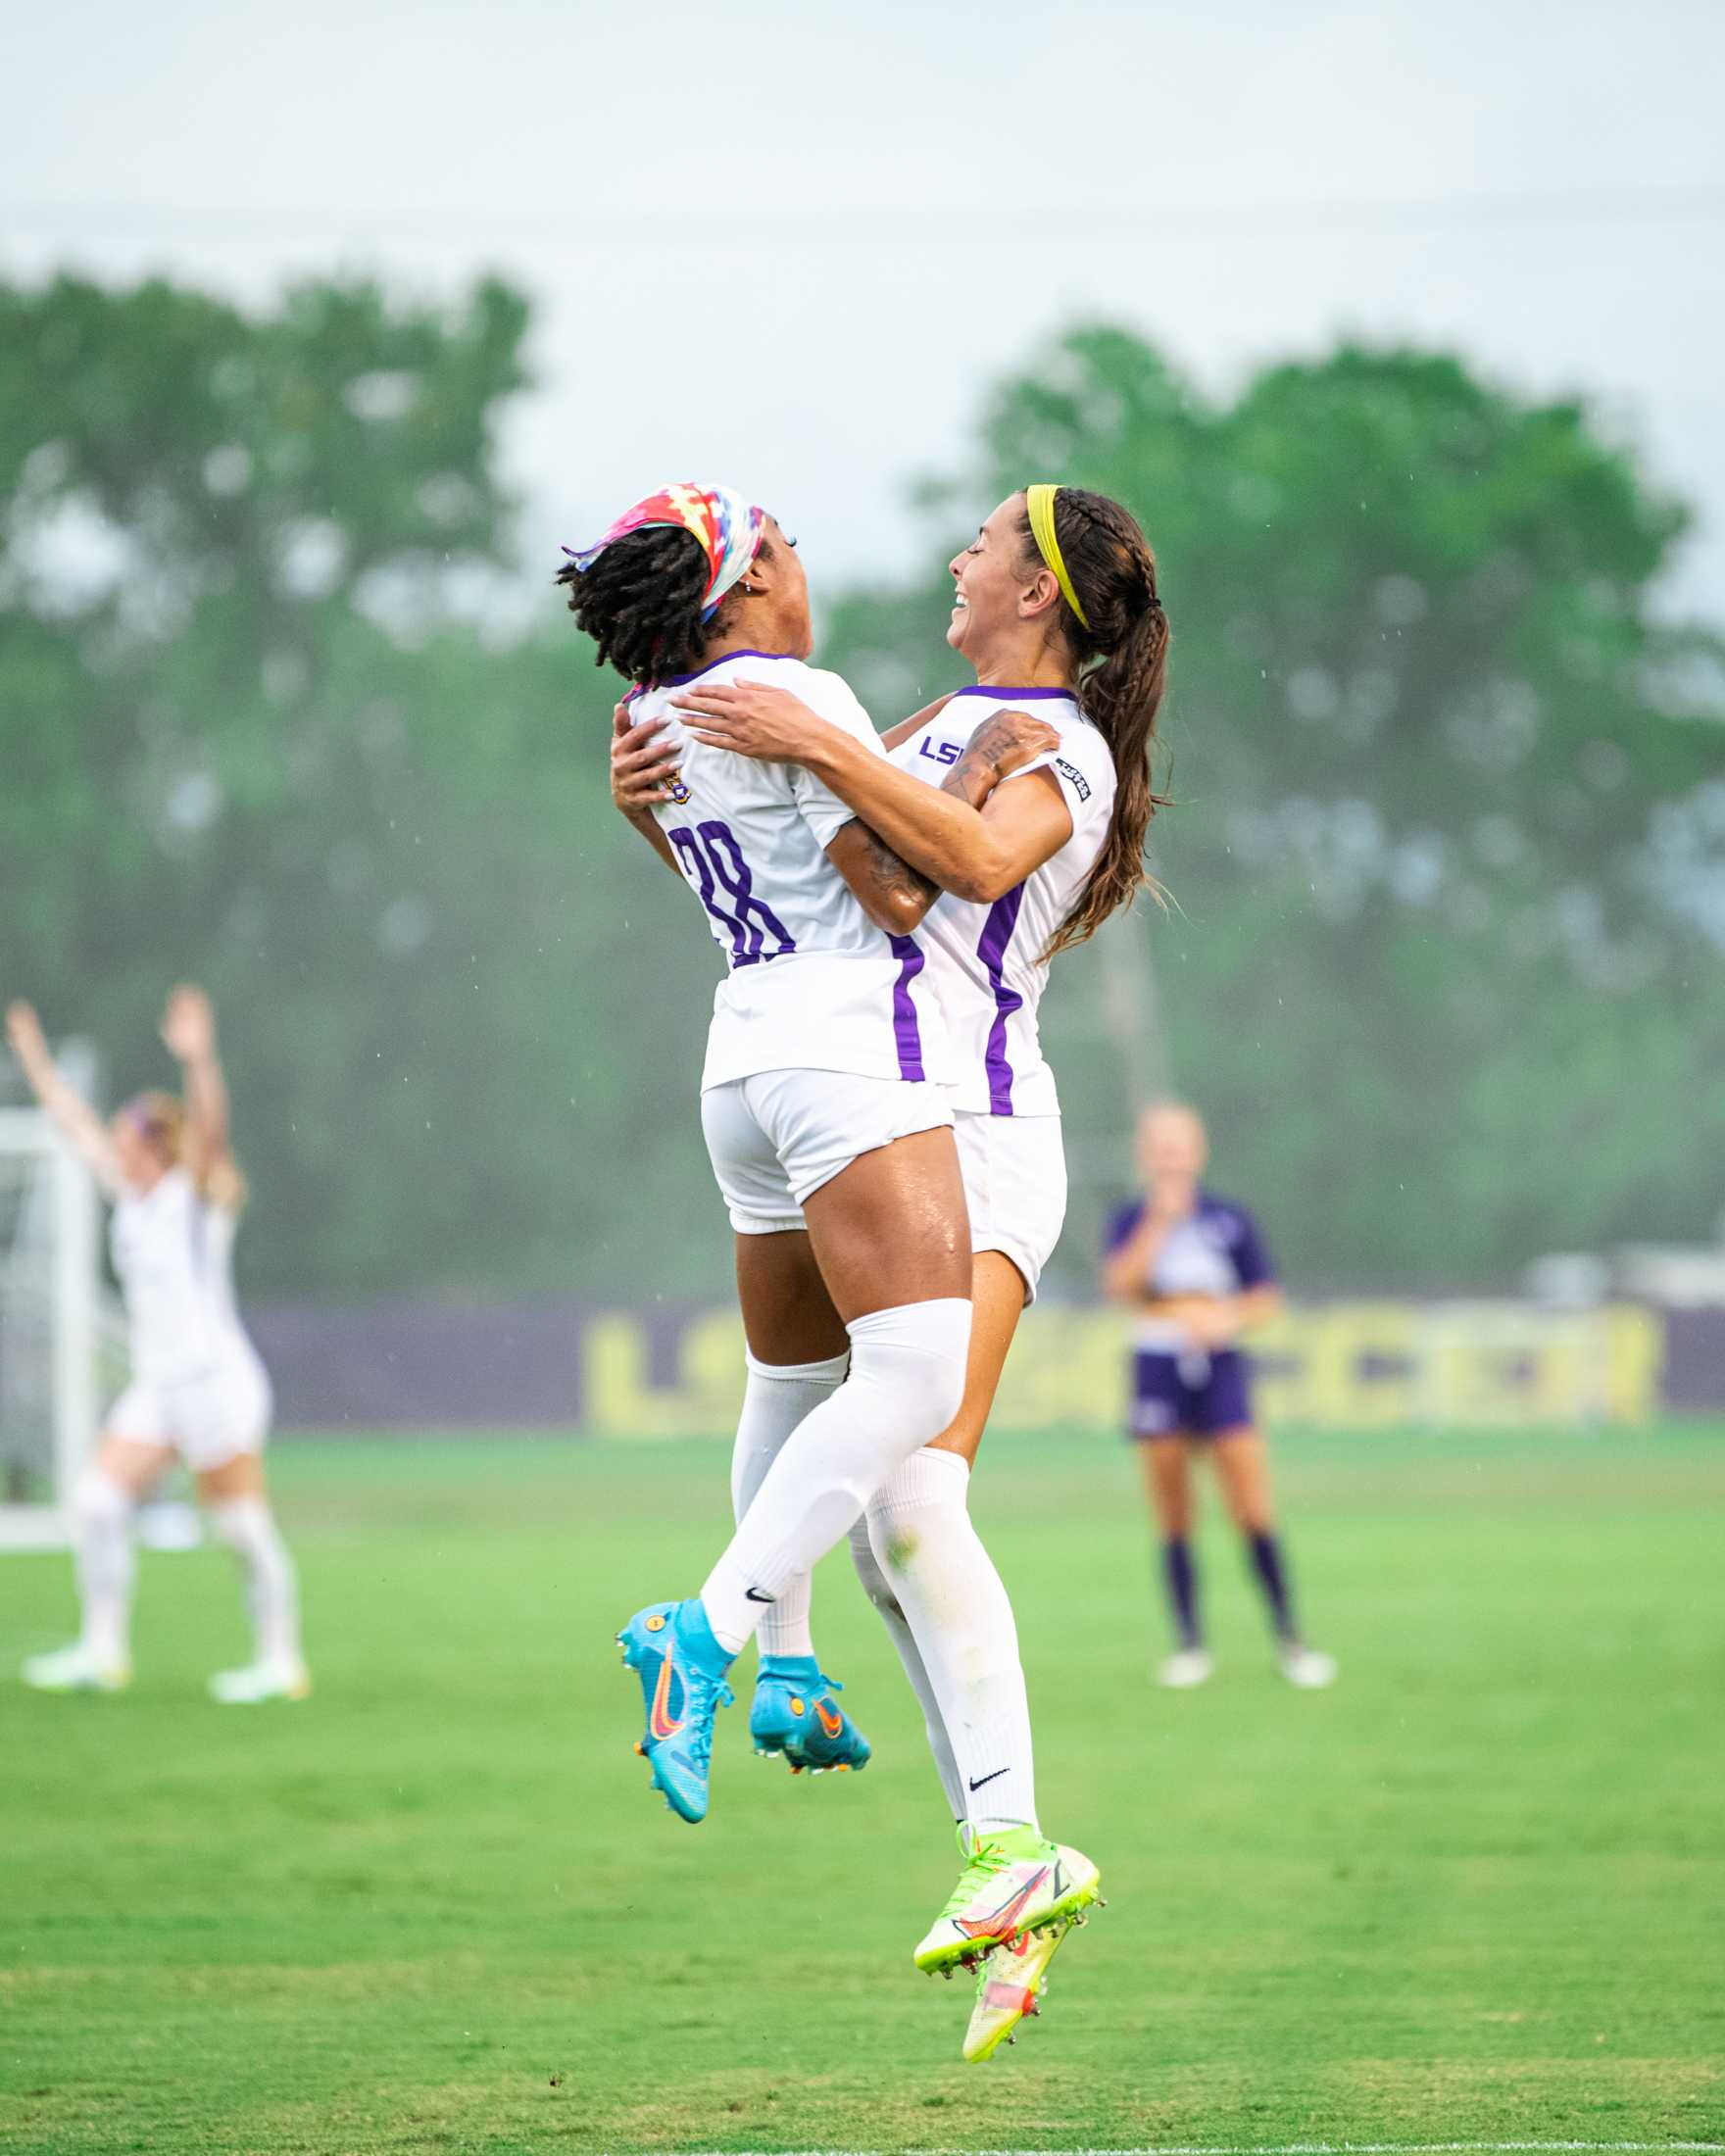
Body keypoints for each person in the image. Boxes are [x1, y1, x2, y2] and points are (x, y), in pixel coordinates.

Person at [621, 481, 1159, 2058]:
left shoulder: (1064, 748)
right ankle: (1005, 1850)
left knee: (913, 1490)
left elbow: (980, 871)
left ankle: (742, 1649)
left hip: (977, 1135)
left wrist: (838, 762)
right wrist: (665, 801)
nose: (957, 555)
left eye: (987, 539)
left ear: (1040, 592)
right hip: (876, 1094)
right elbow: (850, 896)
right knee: (890, 1507)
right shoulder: (933, 713)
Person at [7, 988, 307, 1704]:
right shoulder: (131, 1199)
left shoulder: (194, 1199)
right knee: (98, 1502)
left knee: (238, 1527)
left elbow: (211, 1130)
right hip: (161, 1386)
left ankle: (281, 1660)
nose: (114, 1147)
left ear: (156, 1147)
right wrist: (36, 1062)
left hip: (214, 1383)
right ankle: (102, 1651)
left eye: (127, 1138)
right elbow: (74, 1127)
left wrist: (199, 1059)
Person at [1101, 1102, 1337, 1690]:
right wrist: (1159, 1223)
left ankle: (1291, 1639)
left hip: (1221, 1364)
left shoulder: (1229, 1218)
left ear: (1198, 1152)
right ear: (1145, 1155)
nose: (1170, 1158)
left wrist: (1224, 1319)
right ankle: (1189, 1645)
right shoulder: (1133, 1218)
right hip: (1157, 1365)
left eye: (1179, 1146)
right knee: (1175, 1510)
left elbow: (1266, 1296)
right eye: (1160, 1147)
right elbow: (1122, 1286)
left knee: (1252, 1507)